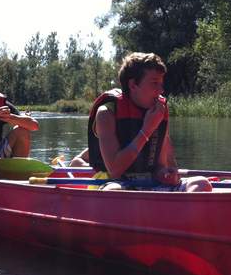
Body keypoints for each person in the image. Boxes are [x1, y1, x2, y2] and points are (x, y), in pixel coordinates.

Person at [87, 52, 212, 192]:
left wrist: (166, 174)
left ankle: (179, 211)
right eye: (154, 83)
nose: (161, 90)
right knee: (114, 192)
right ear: (133, 85)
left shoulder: (159, 110)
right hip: (115, 183)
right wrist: (146, 130)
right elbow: (115, 170)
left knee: (201, 183)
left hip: (150, 182)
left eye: (161, 84)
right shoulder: (107, 112)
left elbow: (161, 166)